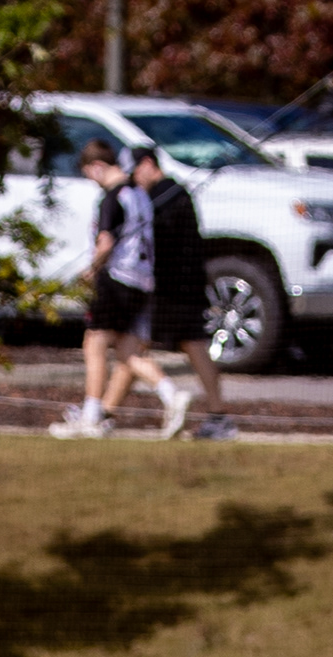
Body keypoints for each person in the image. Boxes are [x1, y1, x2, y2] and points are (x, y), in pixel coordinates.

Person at [53, 140, 183, 441]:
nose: (92, 181)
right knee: (127, 351)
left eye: (89, 174)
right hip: (143, 280)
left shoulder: (112, 197)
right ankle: (172, 394)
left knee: (94, 343)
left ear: (97, 167)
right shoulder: (139, 193)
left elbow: (106, 243)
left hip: (117, 279)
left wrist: (91, 269)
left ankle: (91, 415)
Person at [135, 142, 232, 440]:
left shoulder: (165, 195)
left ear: (148, 164)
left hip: (174, 288)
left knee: (137, 347)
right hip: (181, 285)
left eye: (135, 171)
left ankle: (213, 413)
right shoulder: (173, 193)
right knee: (138, 346)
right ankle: (105, 411)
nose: (134, 179)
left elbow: (163, 243)